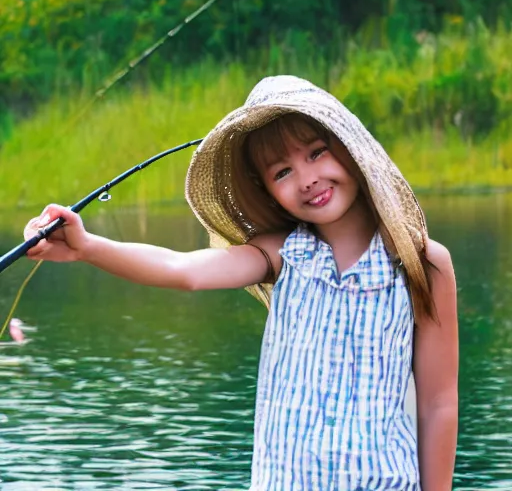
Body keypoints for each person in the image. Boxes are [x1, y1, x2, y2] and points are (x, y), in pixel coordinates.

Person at [24, 75, 458, 490]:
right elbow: (184, 270)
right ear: (267, 191)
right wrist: (88, 247)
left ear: (349, 149)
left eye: (317, 152)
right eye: (281, 172)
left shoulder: (421, 264)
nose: (307, 179)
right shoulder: (282, 253)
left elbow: (438, 405)